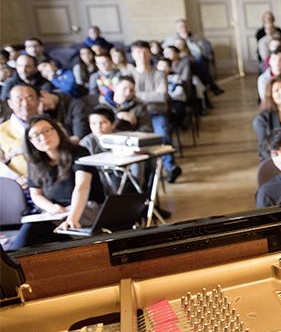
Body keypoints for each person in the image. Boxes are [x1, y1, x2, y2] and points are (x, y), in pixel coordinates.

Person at [7, 116, 105, 250]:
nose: (43, 137)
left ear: (57, 130)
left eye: (47, 131)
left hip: (84, 209)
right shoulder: (35, 161)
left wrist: (72, 218)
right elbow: (36, 194)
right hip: (55, 213)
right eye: (36, 135)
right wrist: (52, 208)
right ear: (30, 141)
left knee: (32, 232)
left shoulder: (79, 152)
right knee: (34, 239)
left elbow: (82, 186)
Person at [128, 41, 181, 182]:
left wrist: (137, 95)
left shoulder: (158, 73)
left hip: (156, 112)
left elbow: (162, 97)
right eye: (138, 52)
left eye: (145, 52)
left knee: (162, 133)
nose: (142, 56)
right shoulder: (129, 74)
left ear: (150, 54)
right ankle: (141, 175)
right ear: (133, 55)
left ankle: (170, 167)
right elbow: (126, 96)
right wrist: (150, 95)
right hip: (136, 114)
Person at [0, 85, 41, 187]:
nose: (25, 104)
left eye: (30, 98)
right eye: (19, 100)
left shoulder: (52, 126)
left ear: (38, 100)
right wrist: (16, 179)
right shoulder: (1, 131)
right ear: (10, 104)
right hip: (18, 185)